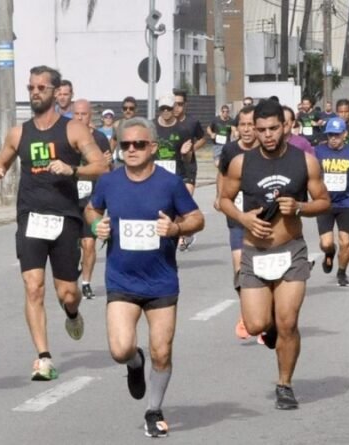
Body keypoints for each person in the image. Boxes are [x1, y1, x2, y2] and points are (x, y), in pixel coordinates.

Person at [85, 117, 204, 438]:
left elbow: (196, 218)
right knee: (120, 350)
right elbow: (92, 210)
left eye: (139, 144)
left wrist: (177, 228)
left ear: (152, 147)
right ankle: (134, 364)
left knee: (162, 351)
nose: (132, 150)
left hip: (161, 281)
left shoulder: (169, 183)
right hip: (122, 279)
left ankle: (154, 409)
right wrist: (98, 226)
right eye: (125, 145)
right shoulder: (110, 182)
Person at [0, 65, 107, 380]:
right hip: (31, 217)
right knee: (33, 287)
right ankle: (43, 357)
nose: (35, 92)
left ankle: (72, 312)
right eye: (31, 88)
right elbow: (2, 160)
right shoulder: (19, 132)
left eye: (41, 87)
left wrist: (73, 170)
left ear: (56, 92)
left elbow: (101, 167)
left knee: (66, 292)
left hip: (65, 218)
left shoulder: (73, 130)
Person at [219, 99, 331, 409]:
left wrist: (300, 207)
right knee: (256, 325)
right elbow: (224, 199)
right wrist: (243, 219)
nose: (267, 135)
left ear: (285, 127)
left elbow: (323, 201)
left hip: (290, 251)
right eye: (261, 130)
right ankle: (266, 328)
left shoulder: (304, 161)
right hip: (255, 252)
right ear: (252, 130)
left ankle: (285, 384)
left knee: (288, 322)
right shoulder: (242, 163)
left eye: (273, 128)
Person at [213, 106, 259, 340]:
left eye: (251, 125)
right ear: (237, 127)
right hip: (237, 215)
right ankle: (247, 312)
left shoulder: (264, 150)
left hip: (262, 218)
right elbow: (222, 174)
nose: (247, 129)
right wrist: (220, 197)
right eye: (243, 125)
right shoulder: (230, 150)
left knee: (261, 268)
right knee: (239, 267)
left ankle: (263, 314)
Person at [314, 117, 349, 286]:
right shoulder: (318, 151)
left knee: (345, 241)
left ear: (344, 134)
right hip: (324, 203)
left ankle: (341, 272)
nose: (333, 138)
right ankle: (329, 253)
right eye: (330, 135)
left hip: (345, 203)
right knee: (326, 243)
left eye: (337, 135)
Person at [72, 99, 112, 299]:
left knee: (88, 244)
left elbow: (107, 171)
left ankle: (86, 282)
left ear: (90, 116)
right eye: (76, 114)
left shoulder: (100, 138)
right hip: (68, 199)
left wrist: (109, 164)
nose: (80, 118)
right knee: (71, 247)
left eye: (84, 114)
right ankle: (72, 271)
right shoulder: (66, 137)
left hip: (91, 201)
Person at [153, 93, 198, 251]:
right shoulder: (151, 127)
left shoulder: (182, 129)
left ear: (174, 109)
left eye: (168, 108)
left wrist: (186, 153)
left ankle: (179, 235)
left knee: (177, 209)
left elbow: (189, 159)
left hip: (177, 175)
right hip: (155, 176)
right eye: (162, 109)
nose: (166, 111)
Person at [208, 104, 235, 169]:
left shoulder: (231, 121)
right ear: (221, 112)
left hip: (226, 145)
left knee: (227, 163)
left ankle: (223, 174)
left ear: (229, 112)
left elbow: (234, 129)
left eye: (227, 112)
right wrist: (211, 134)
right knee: (217, 163)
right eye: (223, 111)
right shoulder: (216, 120)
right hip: (217, 145)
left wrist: (234, 134)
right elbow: (208, 128)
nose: (225, 113)